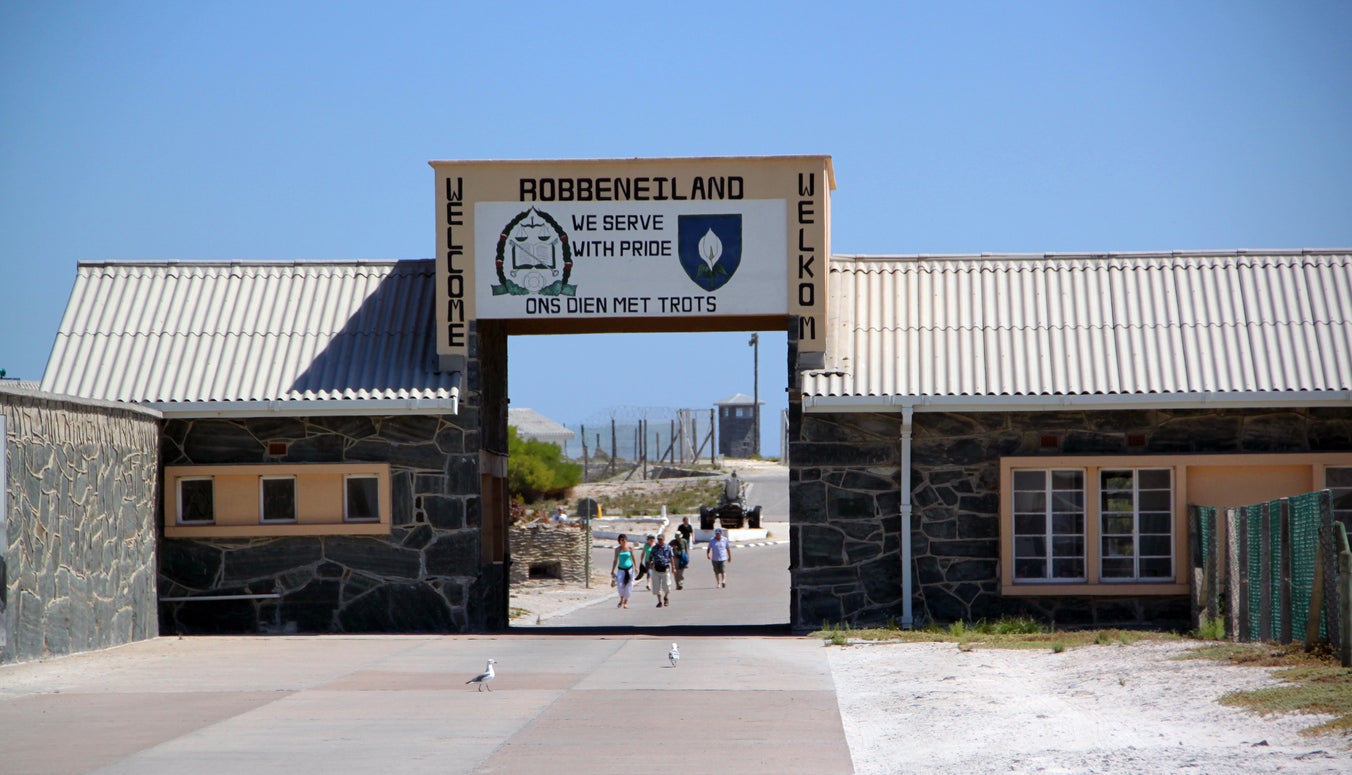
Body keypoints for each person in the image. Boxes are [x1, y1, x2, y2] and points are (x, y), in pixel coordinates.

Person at [648, 534, 675, 607]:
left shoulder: (668, 548)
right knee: (656, 587)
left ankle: (666, 597)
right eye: (659, 539)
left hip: (665, 568)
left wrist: (673, 567)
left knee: (667, 586)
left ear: (664, 539)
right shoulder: (654, 548)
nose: (660, 541)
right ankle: (659, 601)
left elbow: (671, 557)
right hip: (656, 569)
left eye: (661, 539)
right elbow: (650, 556)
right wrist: (650, 562)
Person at [610, 534, 635, 608]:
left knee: (629, 585)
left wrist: (636, 567)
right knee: (620, 585)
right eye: (622, 540)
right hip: (621, 569)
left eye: (624, 540)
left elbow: (633, 558)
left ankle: (626, 602)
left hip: (629, 569)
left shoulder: (630, 548)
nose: (623, 541)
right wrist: (612, 570)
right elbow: (615, 560)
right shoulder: (617, 549)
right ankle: (621, 599)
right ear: (619, 541)